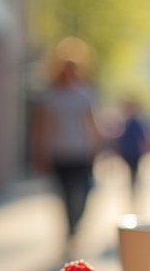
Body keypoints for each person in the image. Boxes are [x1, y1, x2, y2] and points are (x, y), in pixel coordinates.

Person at [32, 38, 102, 244]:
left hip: (81, 151)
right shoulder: (51, 96)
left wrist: (96, 147)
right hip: (59, 152)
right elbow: (43, 126)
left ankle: (75, 223)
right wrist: (41, 151)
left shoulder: (85, 93)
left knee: (85, 190)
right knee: (64, 195)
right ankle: (70, 227)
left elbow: (91, 122)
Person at [114, 96, 148, 192]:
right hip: (128, 151)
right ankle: (132, 186)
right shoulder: (126, 122)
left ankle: (133, 186)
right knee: (131, 171)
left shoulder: (134, 123)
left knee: (134, 171)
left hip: (134, 151)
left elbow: (142, 138)